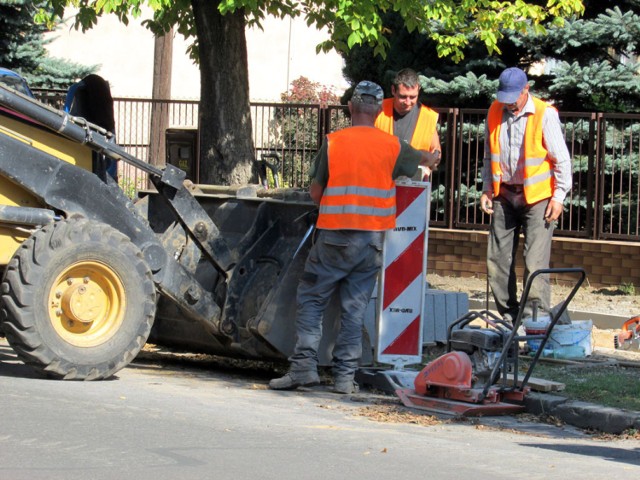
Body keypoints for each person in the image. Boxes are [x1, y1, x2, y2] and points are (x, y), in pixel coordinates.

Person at [269, 81, 440, 394]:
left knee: (312, 300)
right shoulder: (392, 145)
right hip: (371, 241)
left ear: (350, 108)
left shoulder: (334, 142)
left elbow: (316, 191)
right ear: (378, 110)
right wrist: (433, 156)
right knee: (354, 309)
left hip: (333, 237)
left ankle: (303, 368)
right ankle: (345, 378)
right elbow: (423, 162)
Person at [479, 67, 572, 324]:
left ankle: (535, 320)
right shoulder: (494, 110)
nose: (508, 103)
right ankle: (509, 317)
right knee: (497, 260)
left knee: (535, 261)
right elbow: (489, 154)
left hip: (538, 198)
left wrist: (559, 197)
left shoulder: (544, 114)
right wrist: (488, 188)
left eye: (513, 97)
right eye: (503, 97)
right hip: (504, 195)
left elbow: (562, 159)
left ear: (525, 90)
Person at [374, 68, 441, 177]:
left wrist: (430, 166)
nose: (408, 102)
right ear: (393, 90)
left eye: (413, 97)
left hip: (414, 184)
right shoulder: (378, 110)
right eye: (403, 97)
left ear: (418, 90)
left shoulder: (428, 116)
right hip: (380, 178)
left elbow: (436, 151)